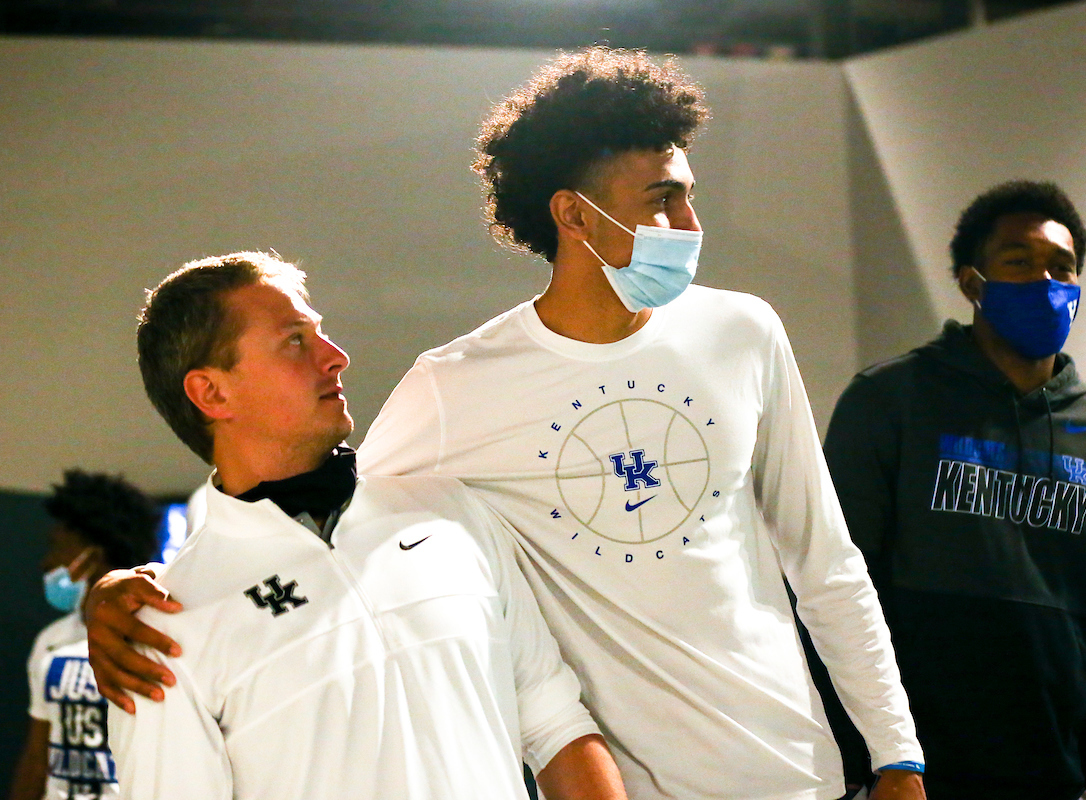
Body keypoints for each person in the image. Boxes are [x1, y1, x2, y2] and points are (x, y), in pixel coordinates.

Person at [87, 50, 924, 800]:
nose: (690, 228)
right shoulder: (453, 391)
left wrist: (897, 754)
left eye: (689, 197)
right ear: (575, 215)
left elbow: (824, 561)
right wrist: (125, 593)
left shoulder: (744, 333)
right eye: (661, 200)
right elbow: (303, 511)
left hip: (799, 774)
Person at [101, 252, 625, 800]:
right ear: (212, 392)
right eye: (295, 341)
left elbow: (555, 722)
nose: (336, 357)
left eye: (320, 333)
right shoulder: (163, 627)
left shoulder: (450, 509)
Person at [822, 181, 1086, 800]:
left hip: (1055, 778)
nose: (1044, 281)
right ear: (973, 284)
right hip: (915, 774)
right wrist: (863, 764)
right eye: (1018, 263)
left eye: (1061, 267)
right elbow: (834, 590)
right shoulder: (889, 401)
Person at [7, 470, 160, 800]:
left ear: (92, 556)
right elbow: (37, 755)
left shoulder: (151, 635)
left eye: (58, 548)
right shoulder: (51, 641)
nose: (47, 562)